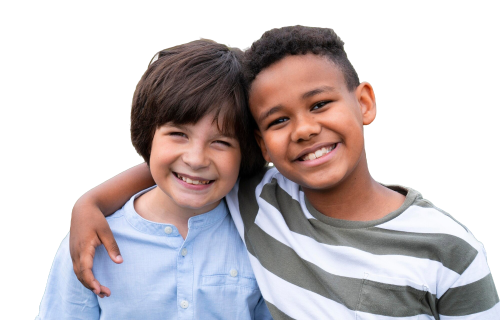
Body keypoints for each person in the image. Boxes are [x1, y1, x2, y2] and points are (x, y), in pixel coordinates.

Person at [68, 26, 499, 319]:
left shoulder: (452, 251)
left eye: (319, 104)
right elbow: (185, 166)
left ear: (364, 102)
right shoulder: (260, 199)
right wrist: (91, 203)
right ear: (262, 147)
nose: (305, 129)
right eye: (277, 121)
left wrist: (91, 201)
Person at [36, 39, 272, 320]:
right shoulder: (90, 242)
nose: (196, 159)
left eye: (221, 142)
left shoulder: (262, 236)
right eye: (178, 134)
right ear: (149, 135)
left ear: (247, 151)